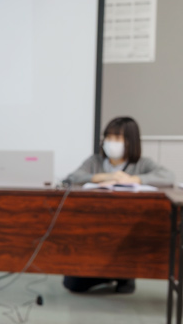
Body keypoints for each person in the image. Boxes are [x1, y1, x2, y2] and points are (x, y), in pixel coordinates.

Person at [63, 116, 175, 294]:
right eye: (108, 137)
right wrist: (103, 177)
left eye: (117, 138)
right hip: (96, 229)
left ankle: (124, 274)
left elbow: (168, 176)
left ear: (130, 141)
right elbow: (72, 177)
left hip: (127, 229)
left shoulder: (142, 164)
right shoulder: (95, 162)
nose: (111, 142)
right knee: (72, 284)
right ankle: (108, 274)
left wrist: (134, 179)